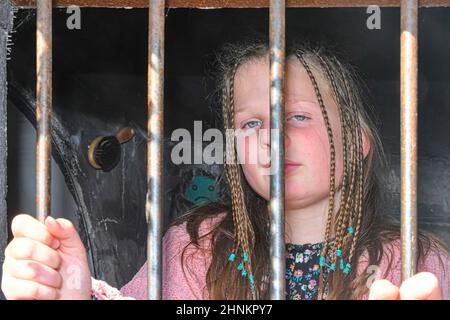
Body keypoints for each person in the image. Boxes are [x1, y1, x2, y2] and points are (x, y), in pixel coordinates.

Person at [2, 39, 449, 300]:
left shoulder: (420, 261)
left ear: (357, 141)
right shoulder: (193, 246)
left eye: (297, 116)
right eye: (251, 123)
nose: (271, 138)